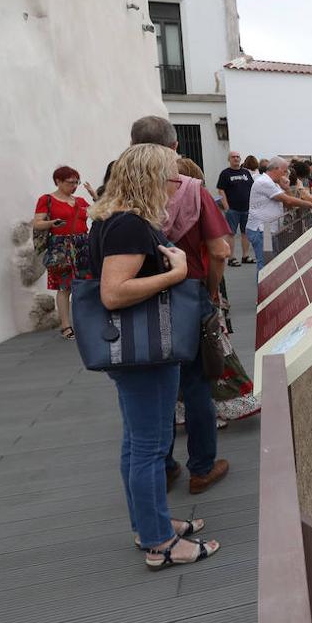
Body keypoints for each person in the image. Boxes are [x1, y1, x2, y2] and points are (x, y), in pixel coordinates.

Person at [87, 144, 220, 569]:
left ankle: (150, 525)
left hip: (135, 354)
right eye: (170, 177)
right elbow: (113, 293)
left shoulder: (112, 219)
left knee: (136, 443)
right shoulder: (129, 225)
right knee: (148, 446)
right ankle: (160, 543)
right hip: (146, 354)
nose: (175, 186)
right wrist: (177, 273)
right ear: (149, 179)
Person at [130, 115, 232, 496]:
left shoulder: (120, 191)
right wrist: (210, 291)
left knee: (153, 387)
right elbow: (220, 250)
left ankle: (163, 465)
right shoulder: (190, 188)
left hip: (138, 299)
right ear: (174, 149)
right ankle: (201, 469)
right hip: (188, 296)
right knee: (195, 385)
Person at [174, 159, 261, 427]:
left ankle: (183, 408)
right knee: (210, 347)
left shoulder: (161, 206)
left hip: (176, 288)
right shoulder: (197, 201)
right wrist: (212, 290)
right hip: (199, 282)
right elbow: (220, 251)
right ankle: (213, 406)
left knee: (185, 352)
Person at [31, 166, 96, 339]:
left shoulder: (80, 201)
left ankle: (84, 323)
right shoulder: (47, 199)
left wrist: (94, 196)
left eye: (77, 182)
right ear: (58, 181)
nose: (74, 186)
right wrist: (52, 223)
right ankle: (66, 326)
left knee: (84, 286)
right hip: (61, 246)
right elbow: (37, 223)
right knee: (64, 286)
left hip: (82, 245)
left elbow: (100, 214)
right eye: (70, 182)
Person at [247, 157, 312, 270]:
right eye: (284, 171)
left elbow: (288, 204)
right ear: (276, 169)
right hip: (263, 229)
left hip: (268, 228)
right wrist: (311, 205)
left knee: (270, 264)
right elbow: (288, 200)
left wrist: (286, 188)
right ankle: (265, 287)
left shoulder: (274, 183)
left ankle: (269, 287)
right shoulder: (264, 182)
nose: (286, 175)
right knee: (265, 265)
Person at [216, 151, 255, 266]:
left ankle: (245, 256)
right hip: (232, 209)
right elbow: (221, 190)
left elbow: (252, 187)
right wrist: (226, 206)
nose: (236, 159)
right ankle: (231, 258)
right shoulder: (225, 173)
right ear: (229, 159)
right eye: (233, 157)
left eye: (238, 157)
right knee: (231, 234)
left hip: (247, 209)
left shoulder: (246, 172)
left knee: (245, 233)